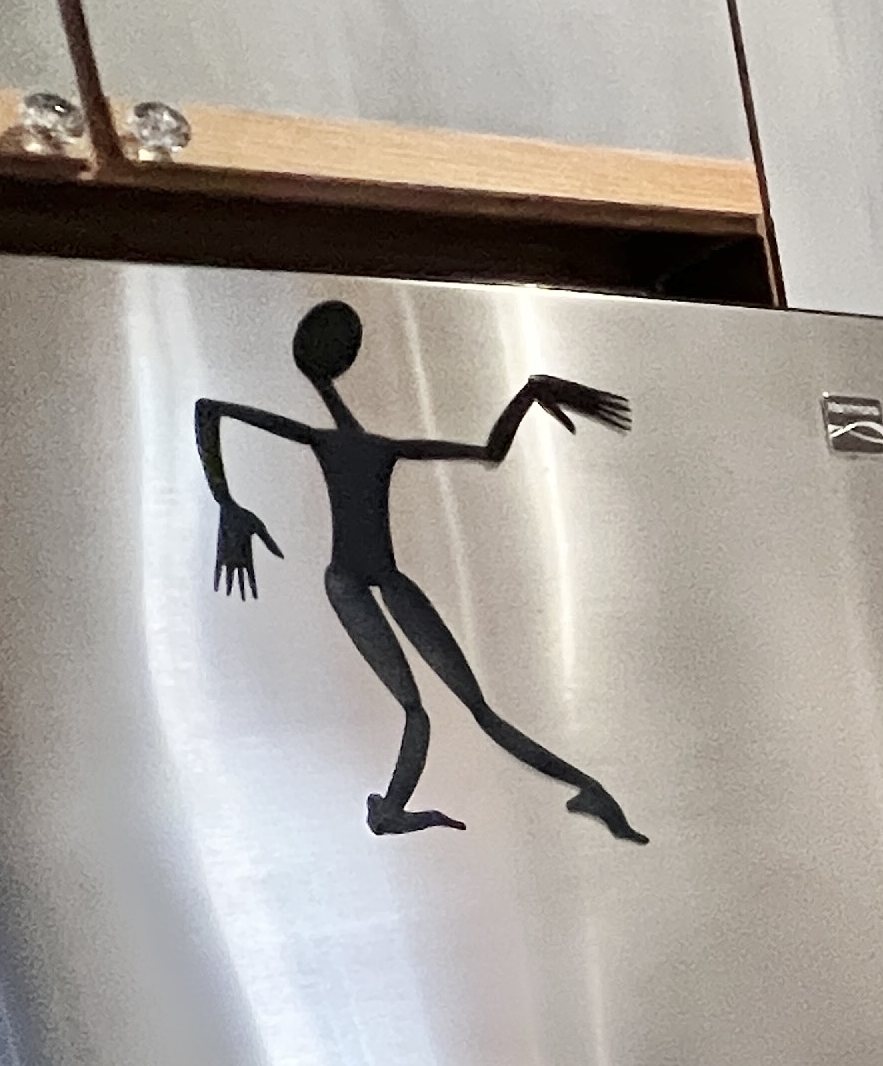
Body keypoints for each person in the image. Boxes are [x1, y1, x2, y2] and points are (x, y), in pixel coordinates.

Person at [196, 299, 648, 844]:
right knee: (434, 712)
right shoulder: (369, 446)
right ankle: (395, 810)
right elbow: (490, 450)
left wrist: (229, 503)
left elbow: (208, 410)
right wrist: (531, 391)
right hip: (354, 583)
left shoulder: (344, 442)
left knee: (454, 710)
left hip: (374, 580)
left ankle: (581, 787)